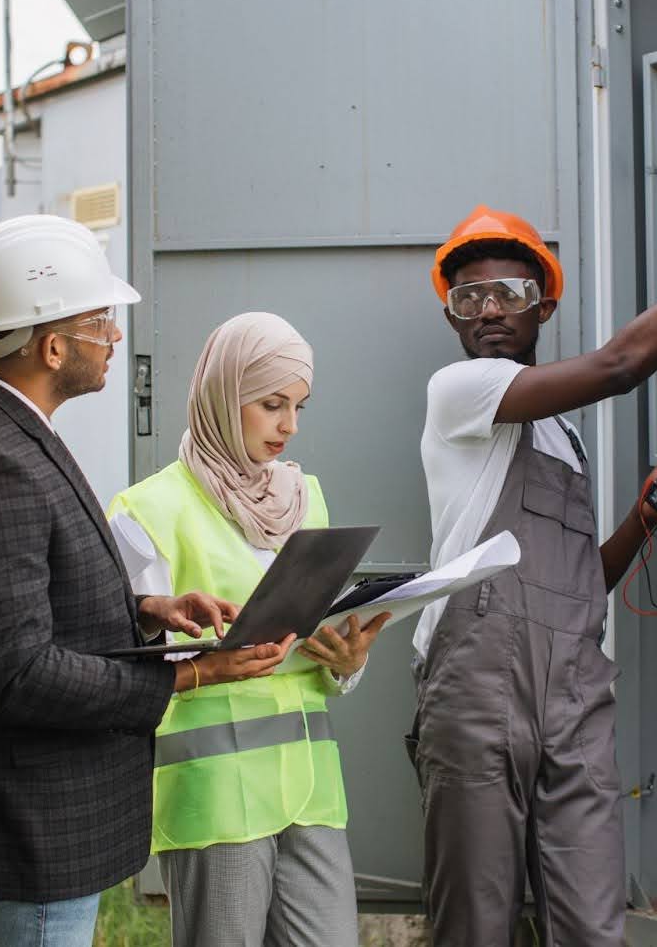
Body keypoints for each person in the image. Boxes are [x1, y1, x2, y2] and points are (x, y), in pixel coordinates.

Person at [409, 179, 657, 944]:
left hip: (572, 695)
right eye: (468, 299)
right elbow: (623, 364)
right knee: (474, 927)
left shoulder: (566, 437)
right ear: (452, 316)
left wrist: (644, 516)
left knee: (594, 925)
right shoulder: (459, 391)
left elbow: (579, 586)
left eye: (509, 292)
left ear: (543, 307)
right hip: (478, 689)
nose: (489, 311)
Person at [0, 216, 294, 947]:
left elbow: (26, 603)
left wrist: (145, 611)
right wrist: (193, 674)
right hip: (27, 825)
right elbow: (16, 676)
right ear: (52, 345)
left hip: (35, 817)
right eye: (100, 321)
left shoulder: (1, 431)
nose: (112, 336)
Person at [107, 311, 389, 947]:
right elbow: (118, 665)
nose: (289, 426)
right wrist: (202, 659)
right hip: (214, 794)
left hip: (310, 790)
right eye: (271, 404)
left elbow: (313, 648)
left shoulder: (305, 498)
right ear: (221, 395)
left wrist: (346, 662)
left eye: (300, 406)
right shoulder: (146, 510)